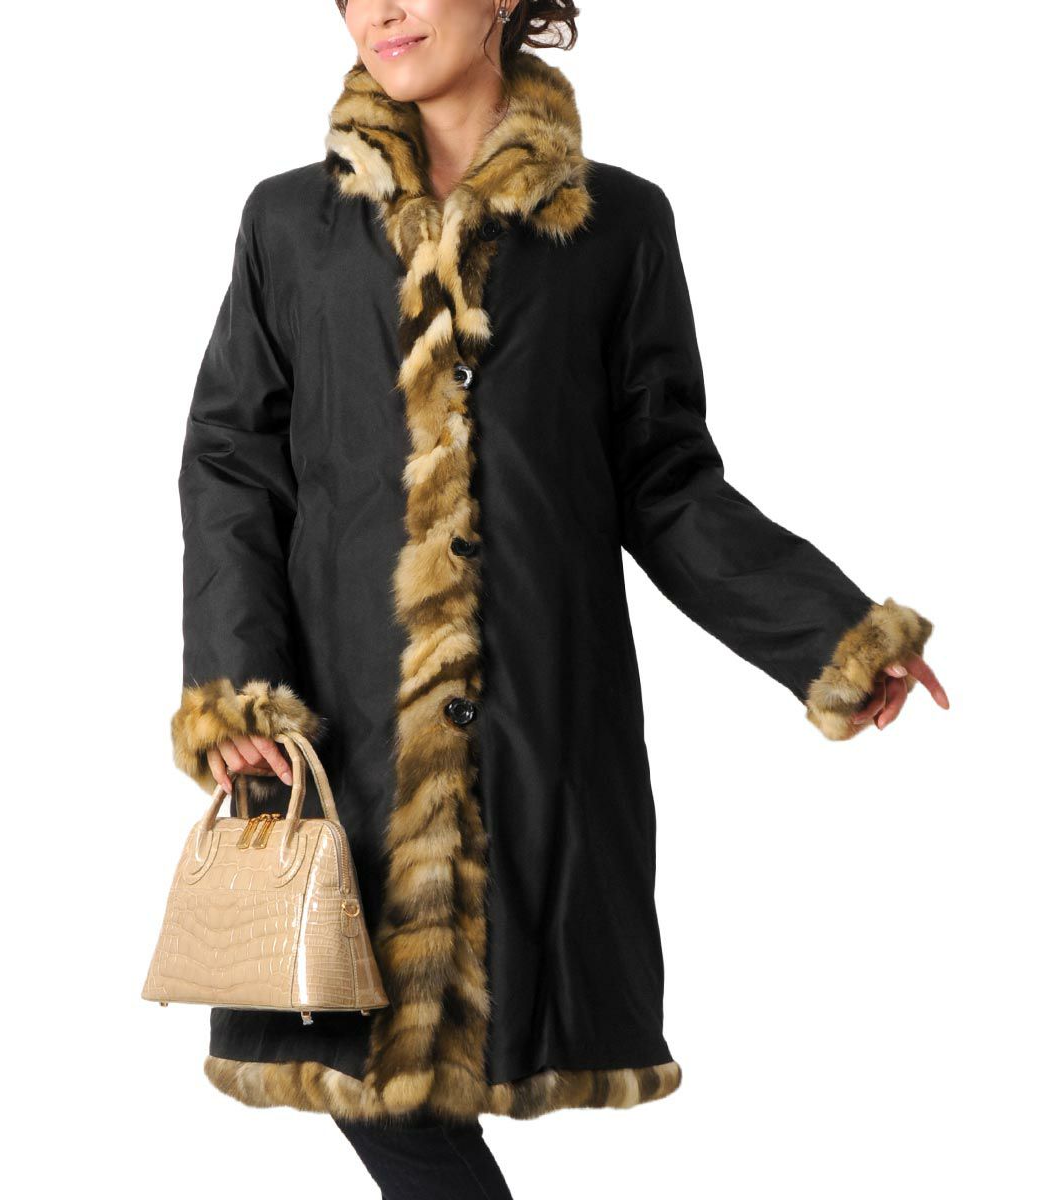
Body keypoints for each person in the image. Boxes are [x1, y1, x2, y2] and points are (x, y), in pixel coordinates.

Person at [168, 2, 950, 1195]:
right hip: (339, 736)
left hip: (533, 726)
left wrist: (829, 633)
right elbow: (233, 466)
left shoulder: (618, 225)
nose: (379, 10)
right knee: (367, 1072)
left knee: (430, 1082)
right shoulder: (291, 222)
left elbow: (667, 482)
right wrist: (240, 690)